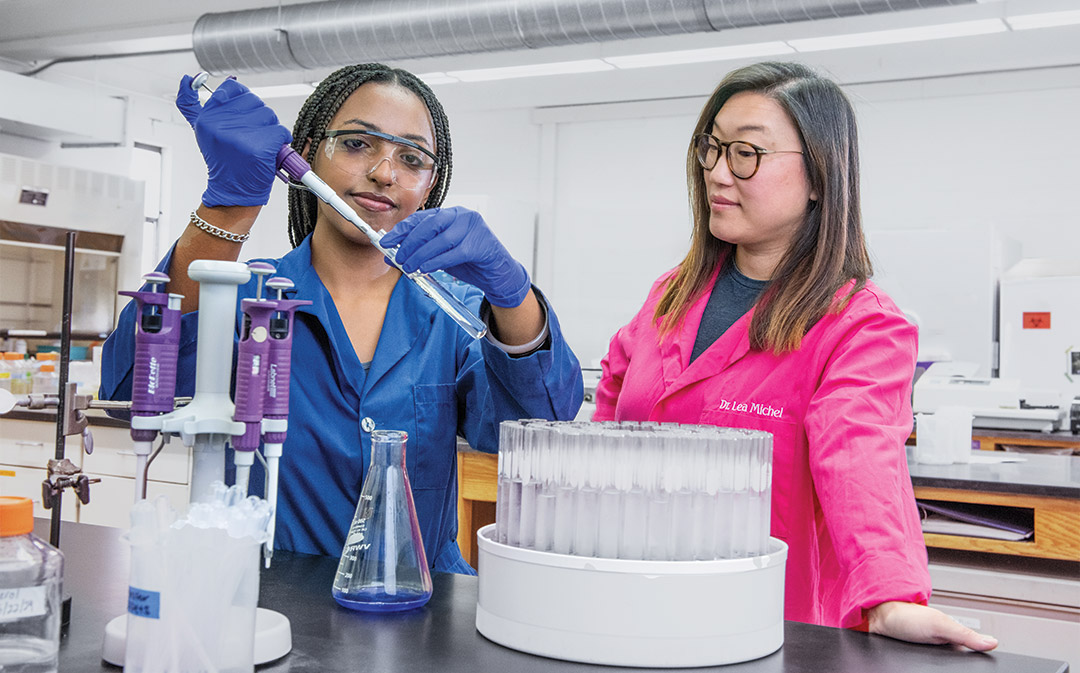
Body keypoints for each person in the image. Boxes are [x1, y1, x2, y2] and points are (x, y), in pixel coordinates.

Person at [101, 64, 583, 574]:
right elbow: (129, 393)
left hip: (421, 610)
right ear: (306, 153)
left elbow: (537, 433)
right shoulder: (245, 298)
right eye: (357, 144)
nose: (384, 172)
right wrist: (228, 208)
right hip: (264, 599)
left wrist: (513, 295)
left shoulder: (455, 311)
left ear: (429, 184)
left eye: (411, 157)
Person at [593, 61, 997, 650]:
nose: (717, 173)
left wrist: (890, 595)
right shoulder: (670, 295)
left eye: (747, 153)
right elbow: (608, 418)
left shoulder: (862, 325)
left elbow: (857, 453)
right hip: (630, 607)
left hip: (766, 630)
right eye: (712, 147)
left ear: (819, 178)